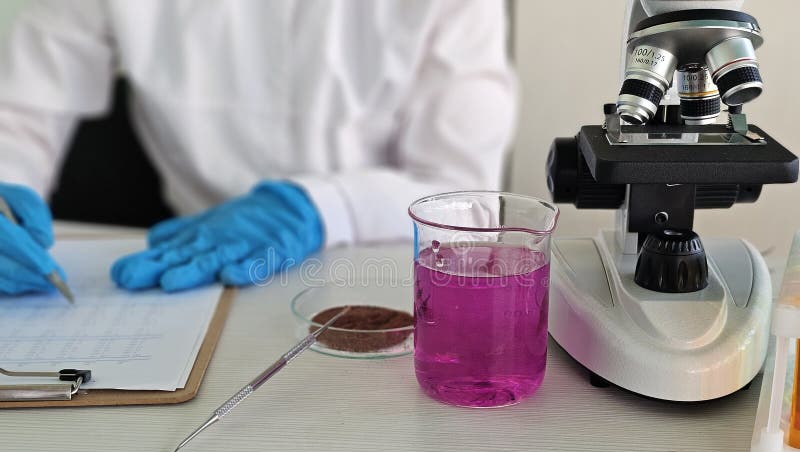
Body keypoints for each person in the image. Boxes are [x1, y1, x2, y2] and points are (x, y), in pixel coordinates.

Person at [0, 0, 517, 294]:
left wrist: (322, 207)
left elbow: (467, 201)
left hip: (379, 277)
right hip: (194, 270)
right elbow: (17, 116)